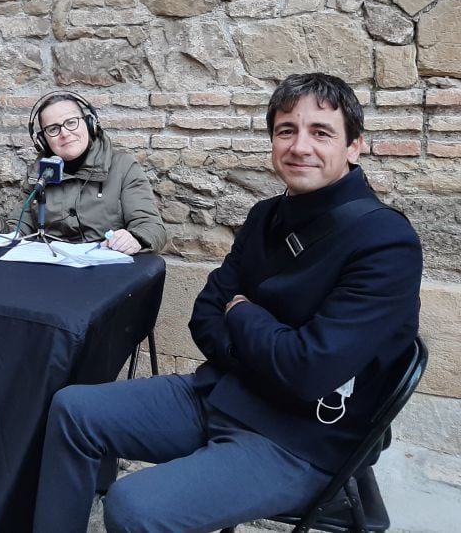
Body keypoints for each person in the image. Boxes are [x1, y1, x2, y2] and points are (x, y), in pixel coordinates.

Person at [32, 73, 423, 533]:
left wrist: (243, 313)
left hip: (298, 439)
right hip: (223, 393)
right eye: (286, 131)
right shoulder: (265, 217)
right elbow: (204, 315)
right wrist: (260, 347)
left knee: (133, 504)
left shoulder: (386, 241)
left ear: (353, 147)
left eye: (321, 132)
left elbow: (308, 370)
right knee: (72, 409)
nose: (300, 146)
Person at [0, 91, 165, 254]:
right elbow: (20, 228)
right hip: (52, 270)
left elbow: (152, 228)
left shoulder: (123, 166)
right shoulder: (39, 173)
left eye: (71, 122)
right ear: (42, 140)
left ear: (90, 124)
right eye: (53, 129)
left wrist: (135, 238)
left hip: (106, 270)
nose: (65, 133)